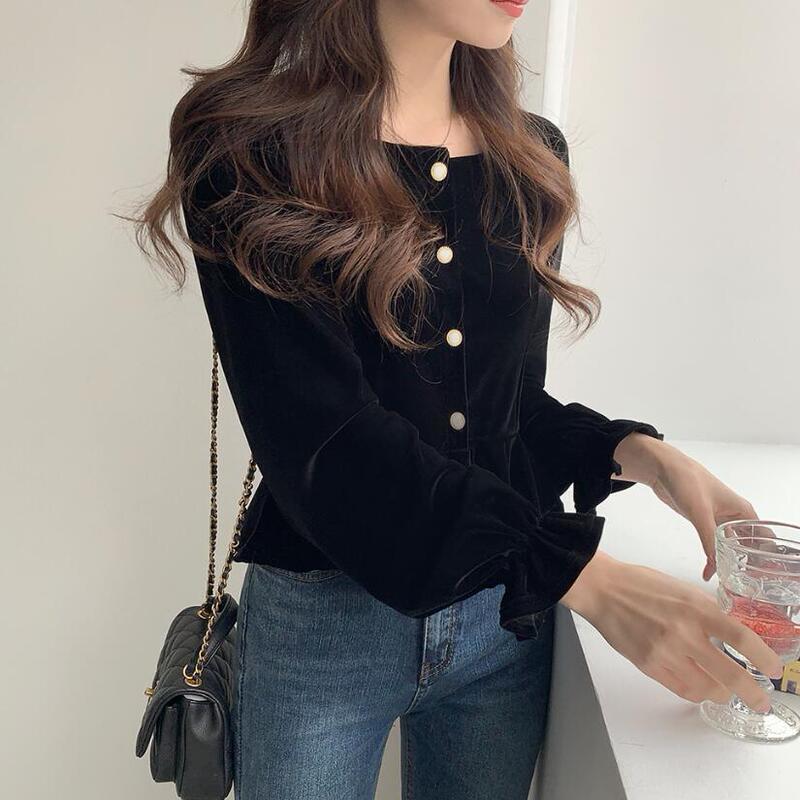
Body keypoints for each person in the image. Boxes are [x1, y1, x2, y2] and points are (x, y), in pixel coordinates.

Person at [133, 2, 785, 797]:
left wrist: (637, 454)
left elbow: (505, 411)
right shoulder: (249, 152)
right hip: (326, 628)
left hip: (504, 627)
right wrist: (590, 580)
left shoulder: (530, 155)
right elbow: (326, 444)